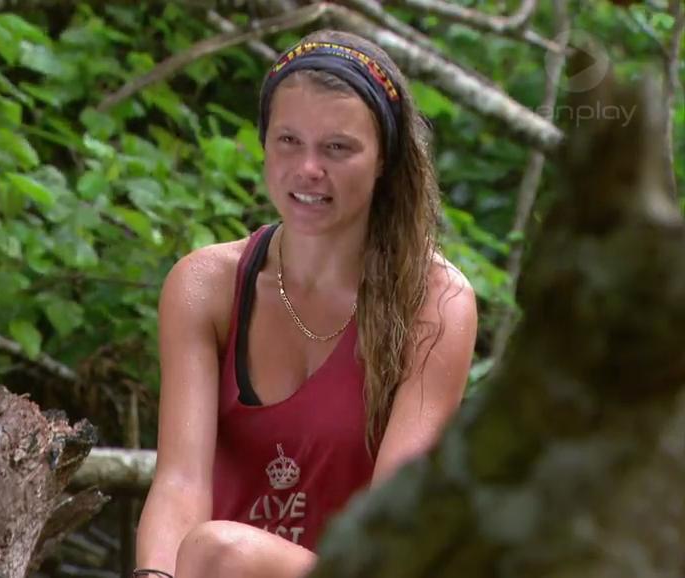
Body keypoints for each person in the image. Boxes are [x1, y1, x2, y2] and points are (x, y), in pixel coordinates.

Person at [134, 29, 477, 578]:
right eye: (288, 141)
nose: (308, 168)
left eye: (338, 148)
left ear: (384, 159)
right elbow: (180, 482)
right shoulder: (205, 286)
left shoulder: (435, 301)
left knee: (221, 552)